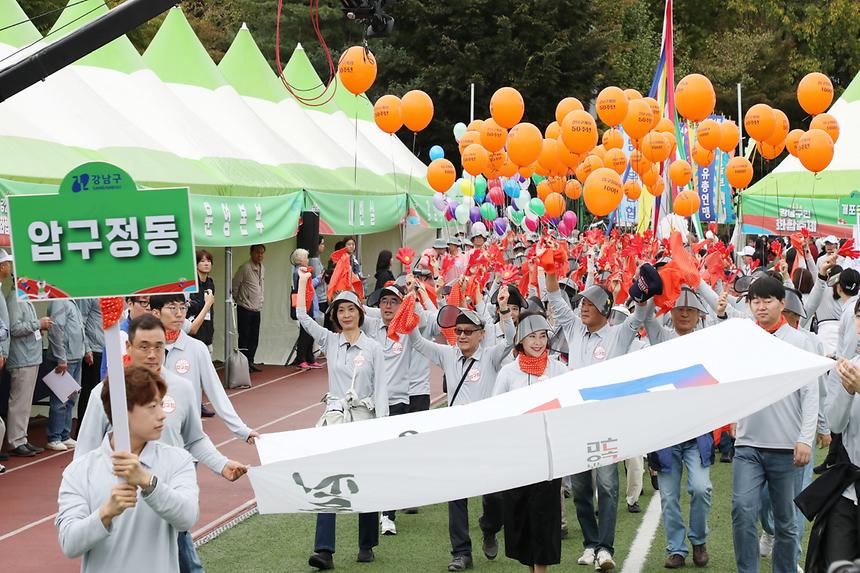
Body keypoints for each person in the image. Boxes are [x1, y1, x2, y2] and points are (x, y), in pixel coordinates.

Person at [75, 314, 249, 573]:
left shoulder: (182, 388)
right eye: (144, 346)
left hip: (167, 501)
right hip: (123, 509)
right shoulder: (105, 394)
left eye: (158, 346)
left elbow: (194, 438)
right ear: (129, 348)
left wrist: (222, 465)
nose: (152, 354)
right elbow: (84, 454)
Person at [56, 365, 199, 573]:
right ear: (123, 412)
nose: (162, 415)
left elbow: (187, 517)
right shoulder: (79, 471)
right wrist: (106, 513)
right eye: (152, 407)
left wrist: (148, 483)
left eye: (161, 404)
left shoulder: (178, 460)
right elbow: (69, 544)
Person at [408, 293, 514, 572]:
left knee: (495, 497)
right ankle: (461, 552)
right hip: (456, 437)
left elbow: (511, 339)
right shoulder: (448, 354)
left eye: (468, 331)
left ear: (481, 334)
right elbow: (417, 342)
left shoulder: (490, 356)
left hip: (486, 437)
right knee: (457, 496)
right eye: (458, 332)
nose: (462, 336)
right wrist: (410, 314)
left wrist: (503, 309)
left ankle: (489, 528)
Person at [544, 264, 640, 570]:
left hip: (605, 423)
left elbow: (641, 315)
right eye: (582, 303)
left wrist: (645, 290)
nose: (583, 308)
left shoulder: (618, 335)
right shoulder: (574, 330)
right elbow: (556, 300)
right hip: (576, 423)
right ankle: (590, 544)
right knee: (582, 488)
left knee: (609, 486)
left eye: (590, 304)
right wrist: (548, 270)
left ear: (605, 310)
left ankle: (606, 548)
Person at [296, 270, 387, 570]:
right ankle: (324, 550)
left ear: (360, 313)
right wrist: (303, 281)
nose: (346, 315)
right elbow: (303, 317)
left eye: (351, 309)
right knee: (328, 479)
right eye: (341, 310)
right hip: (335, 418)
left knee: (365, 480)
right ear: (334, 315)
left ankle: (366, 544)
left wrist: (383, 426)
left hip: (364, 416)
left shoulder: (374, 347)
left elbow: (381, 389)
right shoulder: (330, 341)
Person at [731, 275, 818, 573]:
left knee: (786, 521)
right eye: (755, 300)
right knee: (742, 511)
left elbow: (810, 392)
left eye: (768, 300)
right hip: (748, 444)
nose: (761, 306)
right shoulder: (743, 340)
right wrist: (733, 414)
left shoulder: (800, 341)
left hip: (786, 448)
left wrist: (806, 437)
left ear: (782, 303)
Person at [635, 288, 713, 569]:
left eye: (690, 309)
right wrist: (648, 292)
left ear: (698, 315)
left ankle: (699, 540)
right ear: (670, 310)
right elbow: (646, 318)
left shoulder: (708, 340)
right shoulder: (662, 338)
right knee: (668, 496)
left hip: (697, 431)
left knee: (701, 488)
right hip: (667, 432)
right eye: (679, 307)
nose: (684, 313)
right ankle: (676, 548)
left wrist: (699, 282)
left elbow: (722, 313)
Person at [493, 312, 567, 573]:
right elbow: (496, 411)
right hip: (517, 457)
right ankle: (532, 566)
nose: (538, 342)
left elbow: (569, 405)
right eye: (531, 337)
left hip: (547, 455)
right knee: (520, 517)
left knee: (544, 516)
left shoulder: (559, 369)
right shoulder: (508, 373)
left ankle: (541, 569)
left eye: (542, 336)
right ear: (520, 340)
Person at [149, 295, 258, 446]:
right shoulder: (145, 350)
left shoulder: (197, 348)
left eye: (183, 307)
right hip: (151, 439)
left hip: (186, 439)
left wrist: (241, 430)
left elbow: (216, 391)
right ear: (156, 313)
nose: (179, 313)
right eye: (173, 308)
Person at [4, 271, 50, 458]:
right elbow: (14, 328)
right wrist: (37, 324)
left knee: (25, 402)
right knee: (19, 402)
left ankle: (21, 438)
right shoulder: (15, 299)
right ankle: (15, 441)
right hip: (22, 357)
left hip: (30, 356)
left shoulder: (23, 298)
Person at [46, 299, 86, 451]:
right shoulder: (59, 301)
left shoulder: (72, 301)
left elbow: (79, 328)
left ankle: (64, 434)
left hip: (75, 357)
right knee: (60, 400)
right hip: (64, 359)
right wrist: (61, 358)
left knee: (70, 399)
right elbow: (55, 330)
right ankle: (54, 437)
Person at [74, 299, 104, 436]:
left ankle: (100, 430)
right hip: (94, 350)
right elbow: (81, 322)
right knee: (90, 392)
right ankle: (83, 432)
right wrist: (87, 348)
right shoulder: (89, 295)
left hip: (109, 348)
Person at [233, 243, 265, 372]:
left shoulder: (263, 268)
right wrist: (237, 299)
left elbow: (261, 287)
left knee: (254, 336)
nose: (260, 255)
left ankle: (251, 360)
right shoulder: (245, 267)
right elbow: (235, 284)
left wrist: (261, 301)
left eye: (262, 253)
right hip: (244, 307)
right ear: (251, 252)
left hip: (256, 308)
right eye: (257, 252)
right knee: (244, 336)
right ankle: (243, 362)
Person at [291, 248, 322, 369]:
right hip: (304, 303)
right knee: (305, 332)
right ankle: (301, 358)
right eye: (305, 257)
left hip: (309, 303)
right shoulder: (298, 272)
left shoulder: (302, 271)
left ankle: (309, 357)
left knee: (310, 332)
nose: (307, 260)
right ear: (299, 259)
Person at [188, 249, 216, 348]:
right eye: (202, 261)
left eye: (209, 261)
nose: (206, 264)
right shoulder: (191, 284)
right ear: (196, 264)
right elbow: (190, 307)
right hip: (193, 330)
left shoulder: (210, 283)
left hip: (207, 329)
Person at [310, 236, 328, 320]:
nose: (323, 246)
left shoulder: (317, 258)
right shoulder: (314, 260)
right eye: (322, 244)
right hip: (319, 295)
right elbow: (319, 277)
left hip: (321, 294)